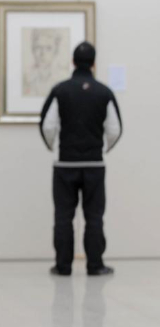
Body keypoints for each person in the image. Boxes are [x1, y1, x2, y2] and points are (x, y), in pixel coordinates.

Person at [40, 41, 122, 276]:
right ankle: (95, 265)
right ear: (94, 63)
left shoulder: (60, 90)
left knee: (63, 217)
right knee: (94, 217)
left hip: (65, 164)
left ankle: (63, 266)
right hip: (94, 165)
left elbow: (48, 126)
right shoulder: (104, 92)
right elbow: (114, 129)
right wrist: (102, 150)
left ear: (73, 62)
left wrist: (53, 147)